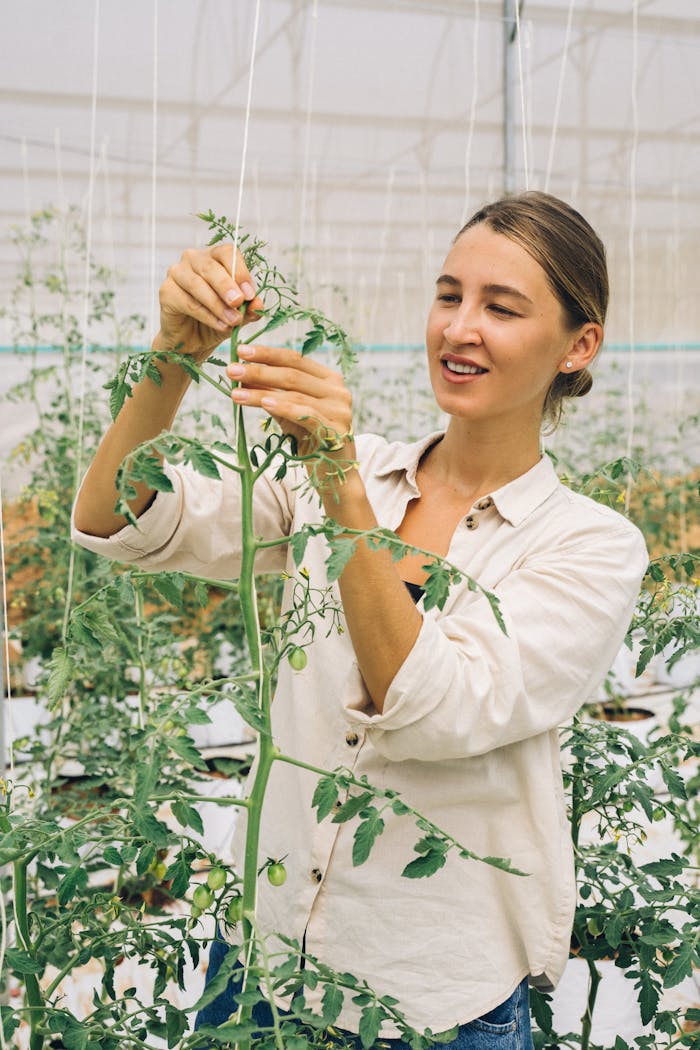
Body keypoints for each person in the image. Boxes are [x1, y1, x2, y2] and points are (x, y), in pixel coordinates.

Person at [72, 191, 648, 1049]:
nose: (460, 328)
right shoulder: (349, 469)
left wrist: (339, 484)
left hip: (431, 1005)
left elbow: (432, 707)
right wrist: (175, 355)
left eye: (502, 307)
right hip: (259, 971)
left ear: (579, 345)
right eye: (449, 295)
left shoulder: (590, 546)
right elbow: (119, 520)